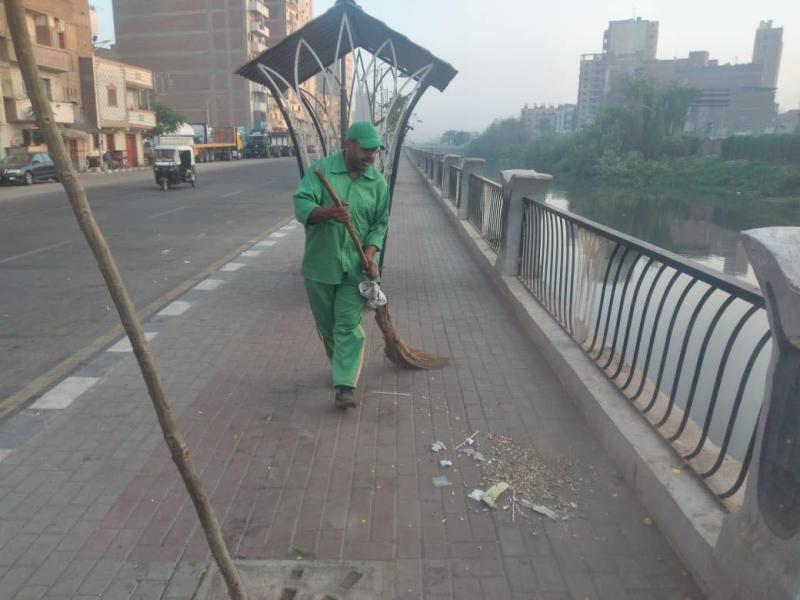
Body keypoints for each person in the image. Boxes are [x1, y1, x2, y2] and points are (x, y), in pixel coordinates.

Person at [293, 121, 389, 409]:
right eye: (366, 150)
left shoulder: (377, 182)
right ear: (349, 145)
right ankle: (341, 367)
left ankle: (345, 385)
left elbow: (380, 223)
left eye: (375, 151)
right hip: (321, 265)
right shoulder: (321, 171)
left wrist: (370, 254)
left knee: (347, 326)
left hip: (356, 269)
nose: (371, 156)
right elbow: (301, 205)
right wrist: (327, 213)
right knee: (328, 325)